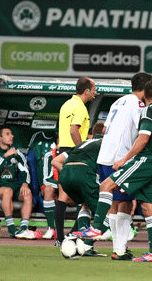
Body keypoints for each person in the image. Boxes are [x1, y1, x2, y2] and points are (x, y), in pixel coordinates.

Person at [73, 80, 152, 263]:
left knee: (107, 188)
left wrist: (125, 159)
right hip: (151, 161)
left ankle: (97, 229)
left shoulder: (132, 105)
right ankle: (150, 252)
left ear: (144, 94)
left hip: (130, 158)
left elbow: (142, 137)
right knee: (146, 207)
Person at [91, 73, 152, 257]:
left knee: (115, 202)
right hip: (120, 157)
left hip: (104, 155)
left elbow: (105, 129)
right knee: (125, 202)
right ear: (146, 87)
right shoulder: (139, 104)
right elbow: (142, 130)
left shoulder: (117, 102)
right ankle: (120, 249)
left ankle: (117, 248)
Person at [52, 122, 107, 256]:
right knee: (109, 207)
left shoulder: (82, 144)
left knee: (85, 205)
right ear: (105, 131)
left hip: (65, 175)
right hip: (84, 173)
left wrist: (69, 173)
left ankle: (80, 242)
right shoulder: (106, 143)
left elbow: (55, 161)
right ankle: (87, 245)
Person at [55, 76, 97, 246]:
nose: (95, 92)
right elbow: (74, 131)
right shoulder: (80, 108)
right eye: (94, 89)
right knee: (87, 194)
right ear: (86, 91)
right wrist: (82, 150)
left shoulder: (67, 104)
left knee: (63, 196)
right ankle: (73, 235)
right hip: (74, 152)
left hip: (62, 151)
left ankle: (60, 239)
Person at [0, 125, 41, 239]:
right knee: (8, 191)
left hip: (15, 185)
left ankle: (23, 228)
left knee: (27, 194)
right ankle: (11, 227)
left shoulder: (16, 152)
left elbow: (25, 170)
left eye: (11, 133)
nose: (11, 136)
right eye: (7, 134)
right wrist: (6, 157)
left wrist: (25, 184)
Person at [41, 134, 60, 240]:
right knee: (47, 189)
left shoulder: (75, 154)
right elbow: (46, 179)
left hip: (71, 190)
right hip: (57, 189)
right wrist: (60, 186)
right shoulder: (49, 155)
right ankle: (51, 229)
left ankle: (81, 230)